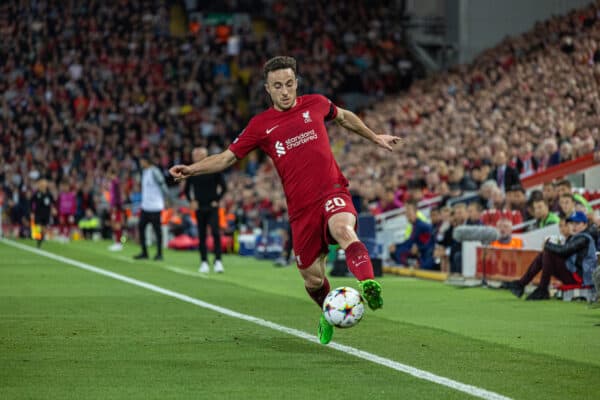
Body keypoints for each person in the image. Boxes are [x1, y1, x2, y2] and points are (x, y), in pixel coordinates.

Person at [169, 56, 399, 344]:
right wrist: (192, 169)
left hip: (332, 191)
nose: (285, 91)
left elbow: (343, 116)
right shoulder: (260, 125)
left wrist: (374, 136)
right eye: (278, 86)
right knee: (312, 279)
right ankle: (328, 312)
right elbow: (227, 158)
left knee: (343, 228)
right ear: (268, 89)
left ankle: (367, 283)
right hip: (301, 210)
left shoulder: (315, 103)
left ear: (296, 83)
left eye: (289, 84)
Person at [507, 211, 598, 300]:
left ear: (585, 224)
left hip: (581, 278)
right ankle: (522, 284)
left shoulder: (584, 238)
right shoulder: (579, 236)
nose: (573, 226)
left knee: (548, 253)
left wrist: (547, 245)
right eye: (571, 223)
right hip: (576, 274)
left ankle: (540, 288)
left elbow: (564, 251)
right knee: (545, 255)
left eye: (577, 223)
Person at [184, 147, 228, 273]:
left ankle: (218, 260)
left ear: (205, 155)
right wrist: (191, 201)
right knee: (201, 235)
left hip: (212, 206)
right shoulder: (192, 170)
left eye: (198, 154)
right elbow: (187, 190)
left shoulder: (214, 169)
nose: (196, 156)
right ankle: (204, 261)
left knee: (215, 232)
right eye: (195, 154)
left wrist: (217, 199)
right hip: (199, 207)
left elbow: (224, 187)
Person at [134, 153, 170, 261]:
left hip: (155, 206)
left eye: (142, 161)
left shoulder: (155, 171)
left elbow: (162, 184)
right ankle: (144, 252)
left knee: (157, 230)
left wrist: (166, 198)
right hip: (145, 206)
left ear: (146, 161)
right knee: (141, 228)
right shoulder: (144, 172)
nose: (140, 163)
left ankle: (159, 253)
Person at [389, 201, 435, 270]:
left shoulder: (421, 225)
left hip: (425, 254)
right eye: (406, 211)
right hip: (420, 251)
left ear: (415, 212)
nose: (407, 214)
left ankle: (414, 264)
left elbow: (431, 241)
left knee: (400, 252)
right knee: (396, 250)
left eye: (409, 210)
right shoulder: (414, 225)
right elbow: (410, 241)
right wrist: (396, 245)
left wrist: (419, 248)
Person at [30, 179, 54, 248]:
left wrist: (53, 209)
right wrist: (32, 211)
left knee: (44, 228)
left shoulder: (49, 194)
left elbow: (52, 203)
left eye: (44, 184)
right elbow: (31, 202)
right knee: (38, 226)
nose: (43, 186)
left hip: (46, 214)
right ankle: (38, 239)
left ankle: (40, 240)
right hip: (38, 214)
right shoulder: (37, 193)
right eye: (41, 184)